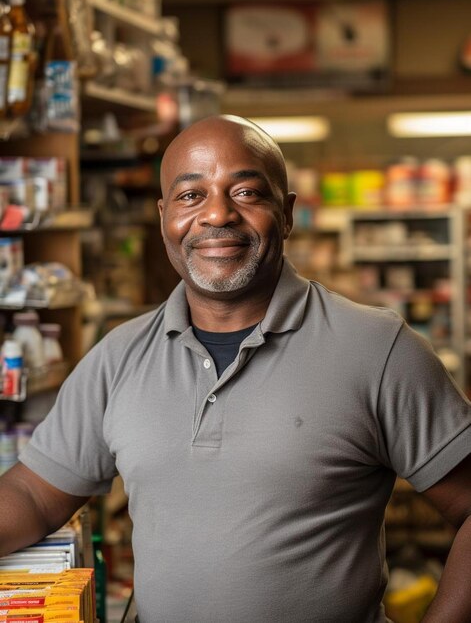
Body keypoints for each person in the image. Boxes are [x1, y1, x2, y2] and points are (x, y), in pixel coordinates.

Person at [0, 115, 470, 623]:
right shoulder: (119, 357)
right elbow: (32, 495)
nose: (217, 215)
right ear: (164, 218)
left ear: (287, 214)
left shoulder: (378, 349)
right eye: (190, 196)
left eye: (246, 192)